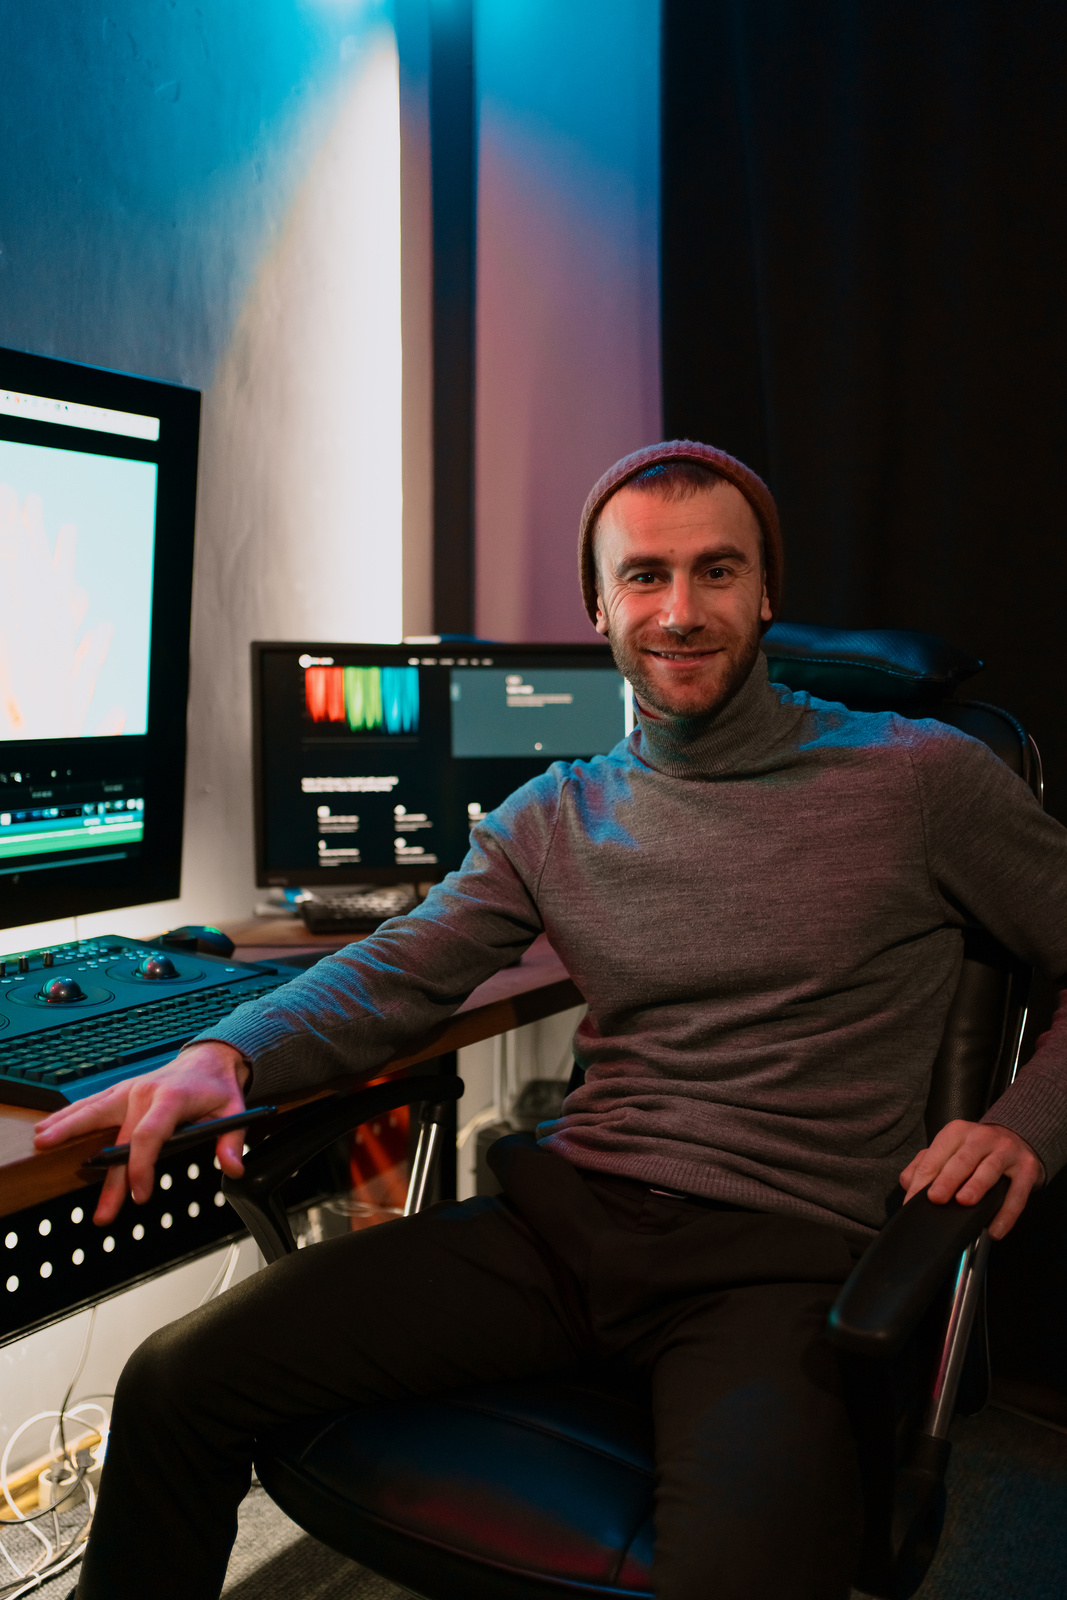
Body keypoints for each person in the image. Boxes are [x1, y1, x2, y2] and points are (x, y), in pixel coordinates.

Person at [38, 441, 1062, 1600]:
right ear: (596, 606)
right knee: (177, 1381)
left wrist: (1024, 1123)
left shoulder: (917, 779)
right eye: (643, 577)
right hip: (563, 1228)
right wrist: (224, 1055)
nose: (678, 611)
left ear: (766, 592)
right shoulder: (553, 814)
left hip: (781, 1262)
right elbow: (398, 969)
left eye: (715, 572)